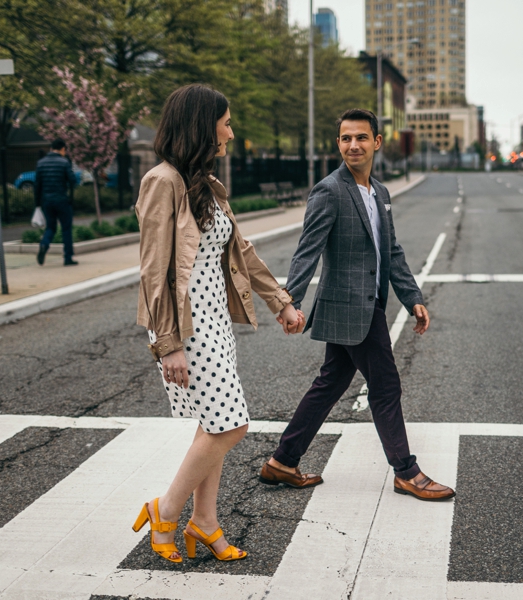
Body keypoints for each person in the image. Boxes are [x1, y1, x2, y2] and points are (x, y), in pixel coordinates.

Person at [131, 84, 305, 564]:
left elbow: (240, 251)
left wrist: (280, 301)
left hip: (214, 320)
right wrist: (168, 345)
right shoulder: (161, 182)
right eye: (226, 122)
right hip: (184, 327)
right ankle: (164, 511)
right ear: (202, 126)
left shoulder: (205, 184)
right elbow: (153, 272)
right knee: (232, 427)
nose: (231, 131)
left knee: (214, 424)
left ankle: (204, 523)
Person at [259, 108, 455, 502]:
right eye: (346, 138)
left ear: (376, 142)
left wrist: (412, 297)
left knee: (331, 382)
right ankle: (406, 472)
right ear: (338, 144)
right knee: (385, 387)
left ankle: (283, 460)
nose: (353, 145)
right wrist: (289, 301)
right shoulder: (330, 190)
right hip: (348, 306)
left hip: (369, 304)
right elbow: (307, 251)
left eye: (361, 137)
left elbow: (391, 251)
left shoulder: (379, 193)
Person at [35, 138, 78, 266]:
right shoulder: (64, 162)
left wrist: (37, 203)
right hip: (62, 200)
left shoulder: (41, 163)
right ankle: (68, 257)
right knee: (66, 228)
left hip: (47, 201)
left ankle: (44, 244)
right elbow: (73, 180)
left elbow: (37, 185)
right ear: (63, 149)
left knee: (50, 227)